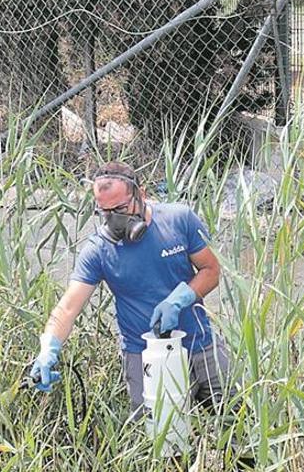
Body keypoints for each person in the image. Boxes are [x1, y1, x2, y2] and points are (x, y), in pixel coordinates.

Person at [29, 161, 233, 418]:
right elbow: (68, 308)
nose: (116, 220)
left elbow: (211, 270)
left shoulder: (178, 220)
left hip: (201, 345)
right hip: (145, 355)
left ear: (142, 194)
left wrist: (179, 299)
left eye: (122, 208)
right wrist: (48, 349)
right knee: (161, 443)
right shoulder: (99, 250)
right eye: (106, 212)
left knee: (238, 423)